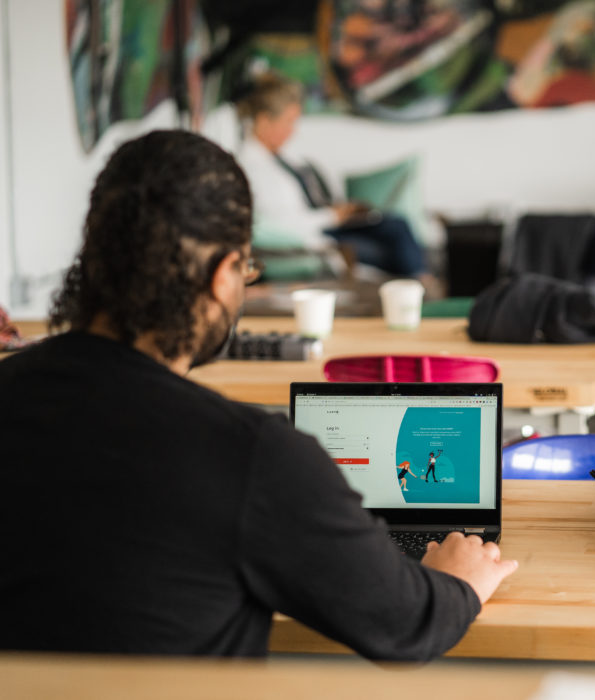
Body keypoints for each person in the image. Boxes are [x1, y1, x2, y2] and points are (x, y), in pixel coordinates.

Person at [0, 130, 516, 657]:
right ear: (224, 276)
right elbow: (407, 624)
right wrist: (460, 582)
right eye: (247, 269)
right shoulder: (250, 456)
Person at [235, 73, 426, 278]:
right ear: (264, 120)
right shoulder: (252, 168)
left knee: (396, 225)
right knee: (394, 250)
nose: (293, 131)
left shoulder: (286, 158)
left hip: (328, 224)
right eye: (288, 121)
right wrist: (332, 216)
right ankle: (423, 284)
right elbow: (282, 224)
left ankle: (422, 282)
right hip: (315, 234)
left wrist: (340, 211)